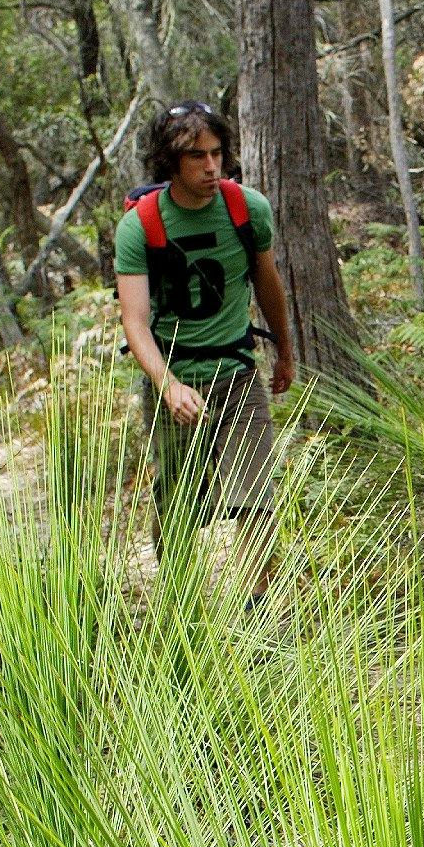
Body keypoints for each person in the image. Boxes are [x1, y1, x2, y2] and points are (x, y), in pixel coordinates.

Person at [115, 102, 294, 565]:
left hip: (237, 372)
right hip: (174, 377)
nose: (211, 165)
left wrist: (285, 350)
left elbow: (268, 284)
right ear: (170, 161)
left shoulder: (247, 209)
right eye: (197, 156)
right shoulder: (140, 225)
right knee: (176, 503)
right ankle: (180, 606)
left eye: (216, 152)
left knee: (256, 499)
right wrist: (166, 384)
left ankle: (261, 609)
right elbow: (133, 320)